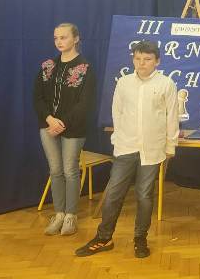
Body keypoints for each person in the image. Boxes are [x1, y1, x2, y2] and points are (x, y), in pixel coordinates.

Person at [75, 40, 178, 258]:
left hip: (152, 150)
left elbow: (171, 117)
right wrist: (118, 139)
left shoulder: (166, 84)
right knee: (113, 193)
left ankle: (140, 238)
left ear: (157, 61)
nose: (142, 63)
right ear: (133, 59)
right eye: (138, 58)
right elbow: (118, 112)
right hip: (125, 147)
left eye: (147, 59)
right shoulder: (124, 83)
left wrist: (170, 145)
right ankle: (104, 237)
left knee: (144, 195)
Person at [33, 23, 95, 236]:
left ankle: (71, 215)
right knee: (55, 170)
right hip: (48, 127)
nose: (59, 42)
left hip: (73, 128)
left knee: (70, 170)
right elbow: (37, 97)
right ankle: (59, 213)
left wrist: (62, 123)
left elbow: (85, 103)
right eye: (56, 38)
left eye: (64, 37)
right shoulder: (47, 66)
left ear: (76, 39)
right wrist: (50, 119)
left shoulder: (85, 68)